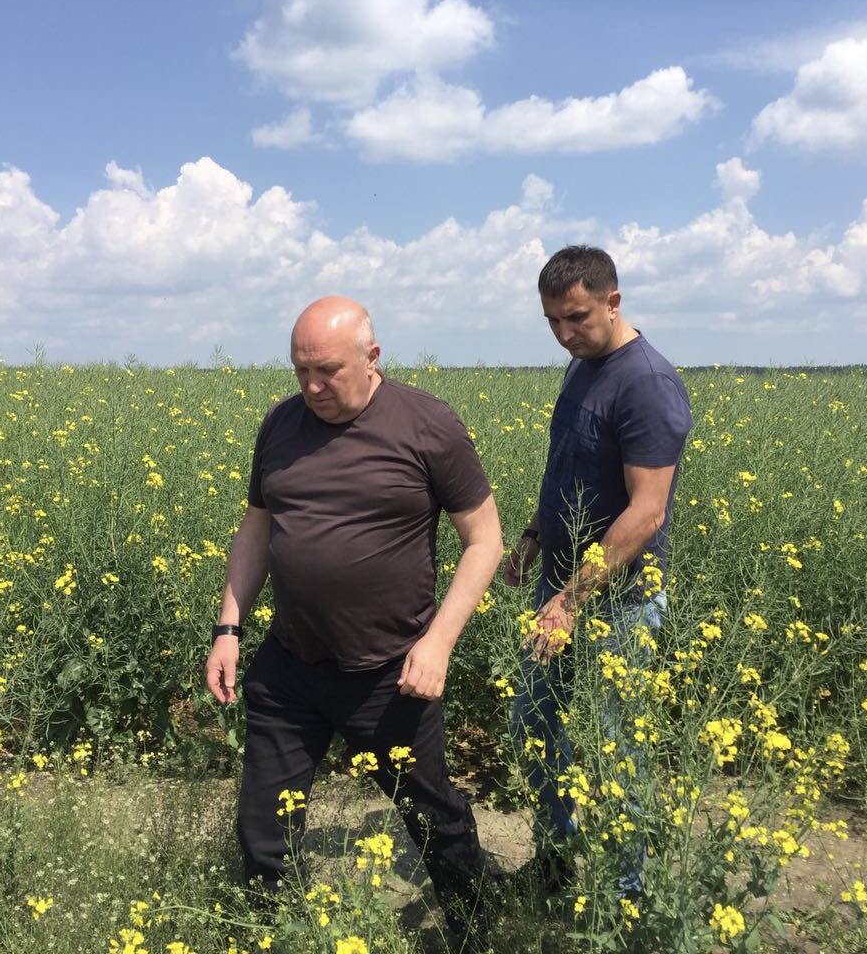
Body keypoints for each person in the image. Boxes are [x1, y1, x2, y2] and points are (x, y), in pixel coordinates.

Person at [204, 295, 505, 947]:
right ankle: (269, 935)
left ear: (372, 357)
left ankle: (475, 932)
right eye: (300, 370)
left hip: (390, 673)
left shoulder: (427, 425)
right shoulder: (281, 424)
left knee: (433, 818)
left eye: (327, 371)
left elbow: (485, 541)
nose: (311, 386)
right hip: (290, 667)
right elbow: (256, 529)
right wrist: (229, 628)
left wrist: (438, 643)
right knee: (263, 830)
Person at [502, 245, 693, 895]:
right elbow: (568, 466)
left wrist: (570, 600)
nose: (564, 333)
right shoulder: (582, 366)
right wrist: (533, 536)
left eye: (577, 317)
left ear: (613, 302)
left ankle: (624, 894)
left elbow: (647, 511)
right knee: (533, 724)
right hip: (558, 587)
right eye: (552, 320)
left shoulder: (647, 383)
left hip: (620, 600)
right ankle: (557, 860)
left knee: (616, 747)